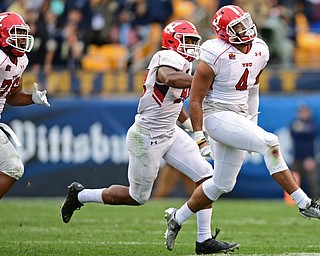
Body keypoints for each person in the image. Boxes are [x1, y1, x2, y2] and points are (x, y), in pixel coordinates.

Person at [60, 19, 239, 254]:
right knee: (137, 197)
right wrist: (205, 81)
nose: (192, 47)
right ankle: (80, 195)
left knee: (207, 177)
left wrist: (193, 128)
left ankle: (203, 240)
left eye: (194, 42)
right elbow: (168, 78)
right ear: (172, 42)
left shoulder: (184, 63)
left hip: (169, 132)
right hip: (147, 136)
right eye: (188, 41)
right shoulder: (165, 57)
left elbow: (175, 104)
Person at [164, 5, 320, 251]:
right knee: (270, 142)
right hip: (216, 115)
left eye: (245, 22)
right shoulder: (213, 53)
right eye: (237, 26)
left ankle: (177, 218)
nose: (245, 28)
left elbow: (253, 88)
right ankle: (304, 203)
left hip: (238, 116)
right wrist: (199, 137)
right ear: (224, 32)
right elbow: (195, 99)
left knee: (222, 184)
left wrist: (251, 124)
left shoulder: (260, 49)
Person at [0, 12, 50, 199]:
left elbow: (12, 96)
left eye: (23, 33)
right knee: (12, 167)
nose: (21, 38)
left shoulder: (21, 60)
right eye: (16, 33)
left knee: (13, 168)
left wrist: (32, 99)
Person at [290, 103, 319, 198]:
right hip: (297, 158)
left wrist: (301, 128)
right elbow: (294, 131)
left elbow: (310, 132)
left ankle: (316, 202)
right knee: (293, 182)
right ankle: (294, 201)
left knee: (313, 182)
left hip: (309, 158)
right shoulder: (294, 122)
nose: (304, 114)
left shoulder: (313, 123)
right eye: (302, 112)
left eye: (305, 112)